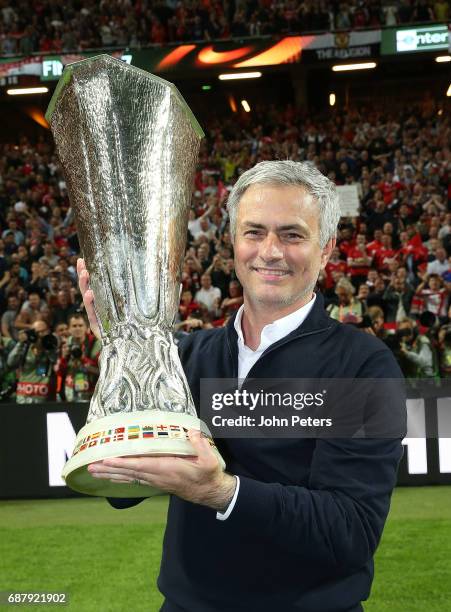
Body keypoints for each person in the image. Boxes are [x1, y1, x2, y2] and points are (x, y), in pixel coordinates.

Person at [78, 161, 405, 612]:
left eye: (292, 235)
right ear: (233, 241)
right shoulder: (184, 357)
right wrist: (125, 353)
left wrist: (222, 491)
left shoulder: (363, 366)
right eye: (254, 232)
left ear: (326, 249)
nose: (269, 251)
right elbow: (119, 491)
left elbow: (350, 533)